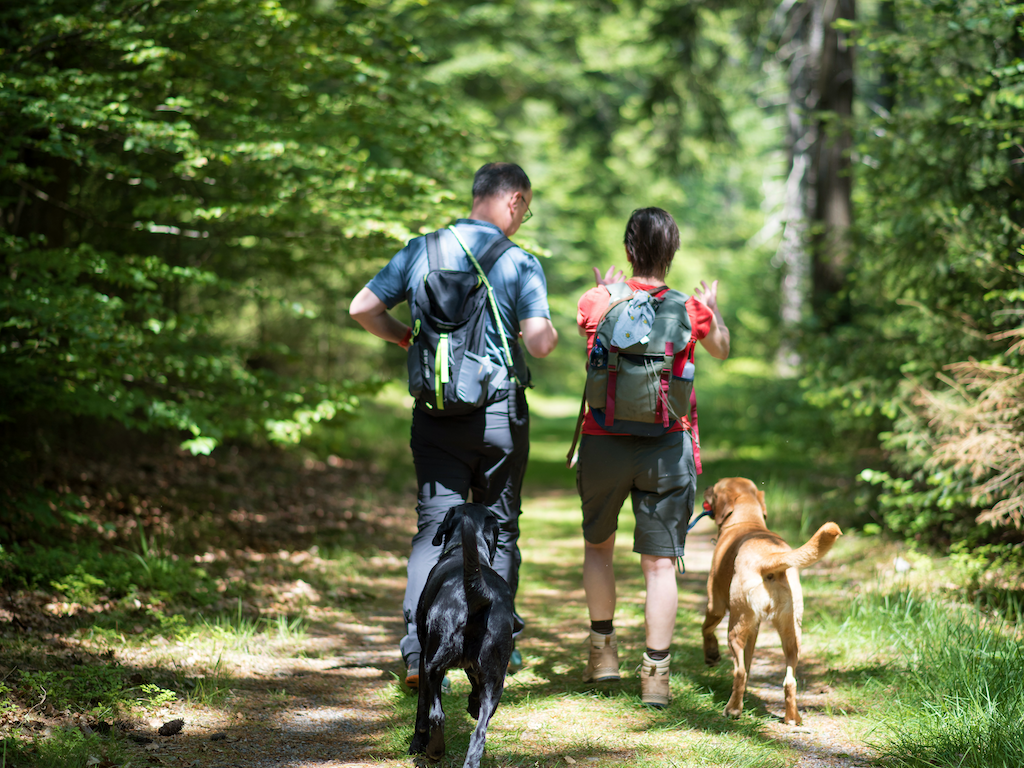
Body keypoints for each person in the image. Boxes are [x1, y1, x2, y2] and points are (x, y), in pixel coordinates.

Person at [349, 162, 559, 687]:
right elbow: (539, 342)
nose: (522, 219)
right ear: (513, 201)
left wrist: (403, 338)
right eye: (525, 210)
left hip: (436, 413)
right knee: (501, 530)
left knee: (432, 528)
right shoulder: (520, 262)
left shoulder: (421, 250)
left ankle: (421, 651)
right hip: (499, 418)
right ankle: (494, 643)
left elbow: (363, 308)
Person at [574, 207, 730, 707]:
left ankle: (603, 655)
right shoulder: (689, 308)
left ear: (628, 250)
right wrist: (713, 307)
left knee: (599, 548)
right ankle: (656, 678)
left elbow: (590, 330)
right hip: (667, 447)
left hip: (602, 439)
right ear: (673, 253)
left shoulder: (599, 300)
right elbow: (722, 349)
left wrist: (609, 290)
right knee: (660, 565)